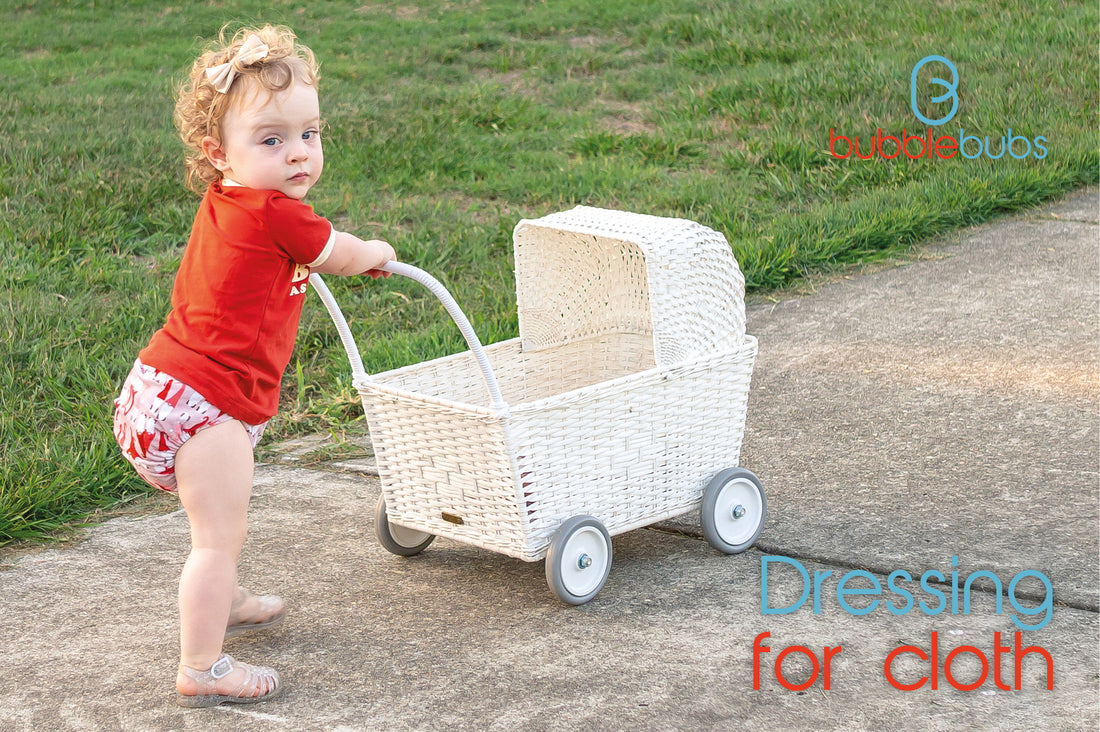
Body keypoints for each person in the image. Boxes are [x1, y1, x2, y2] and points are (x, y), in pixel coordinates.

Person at [112, 25, 394, 707]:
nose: (298, 154)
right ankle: (201, 667)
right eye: (272, 140)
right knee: (215, 536)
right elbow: (342, 253)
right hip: (208, 406)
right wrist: (376, 250)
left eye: (309, 134)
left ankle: (226, 598)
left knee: (216, 523)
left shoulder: (227, 199)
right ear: (219, 153)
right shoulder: (276, 213)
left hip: (157, 391)